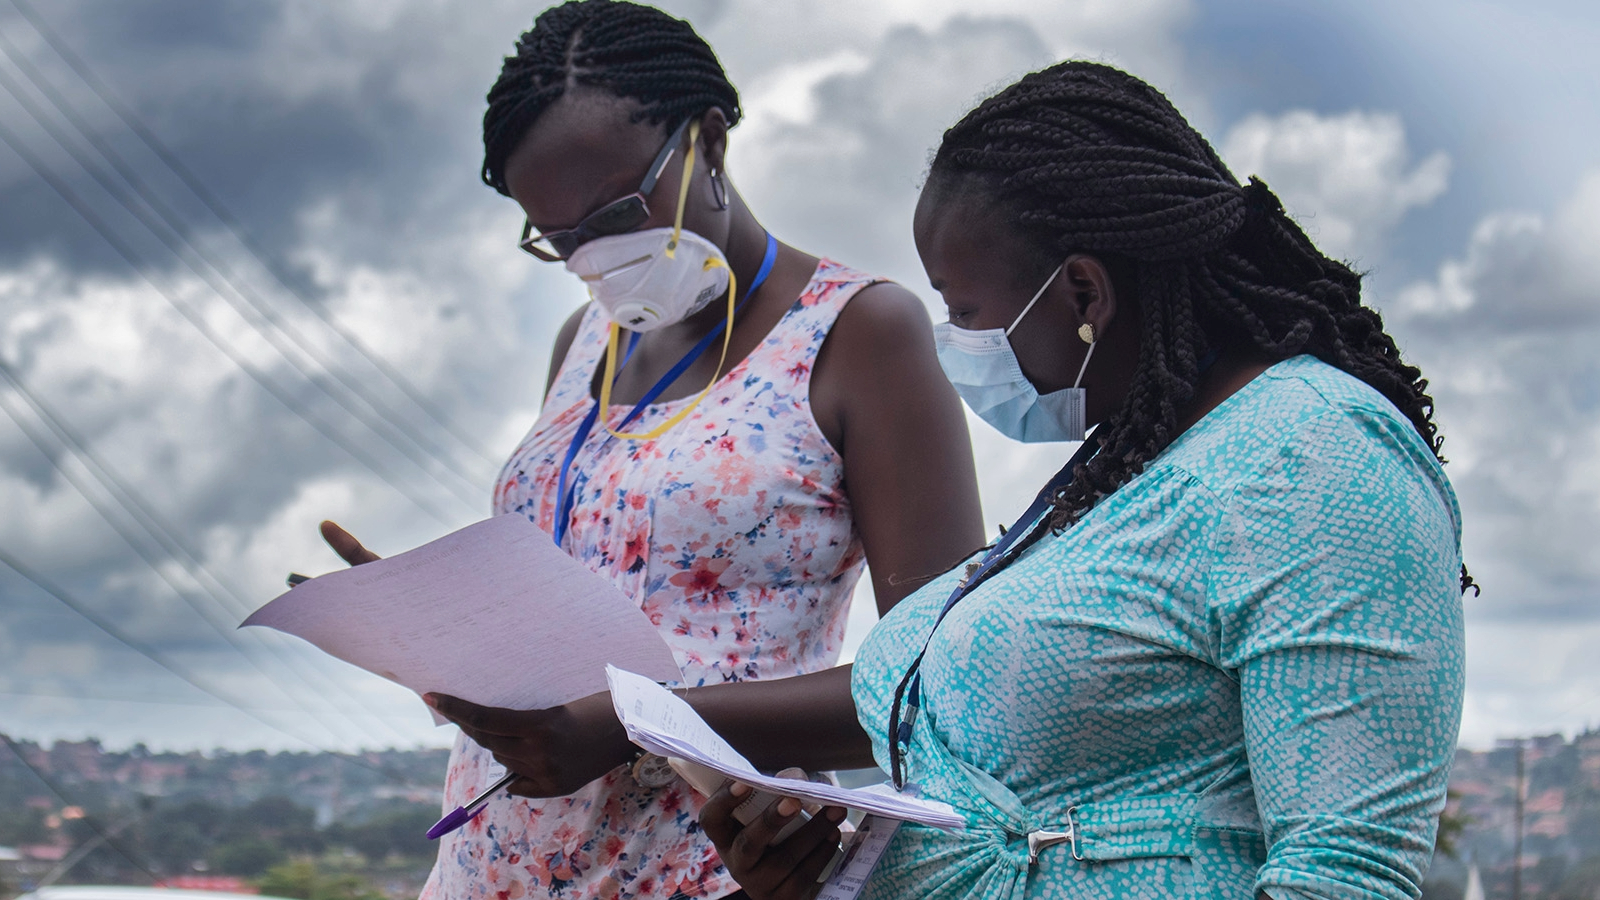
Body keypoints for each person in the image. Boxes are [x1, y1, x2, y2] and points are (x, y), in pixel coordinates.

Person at [696, 61, 1469, 900]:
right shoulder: (1127, 469)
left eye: (963, 310)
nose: (956, 343)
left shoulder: (1313, 458)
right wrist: (821, 873)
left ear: (1084, 291)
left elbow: (1343, 875)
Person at [322, 3, 983, 900]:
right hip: (494, 870)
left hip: (707, 871)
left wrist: (635, 725)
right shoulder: (582, 343)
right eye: (559, 239)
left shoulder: (859, 333)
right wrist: (440, 647)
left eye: (617, 211)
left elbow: (942, 682)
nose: (595, 257)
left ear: (709, 141)